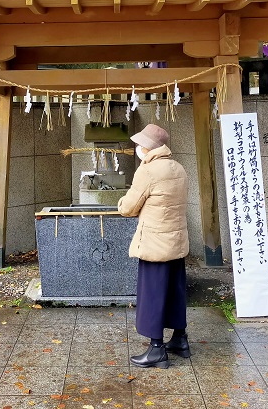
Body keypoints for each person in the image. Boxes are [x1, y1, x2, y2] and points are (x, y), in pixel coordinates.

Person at [118, 123, 190, 369]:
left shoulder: (148, 171)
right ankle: (180, 339)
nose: (137, 148)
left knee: (153, 294)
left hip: (155, 244)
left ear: (148, 147)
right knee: (175, 291)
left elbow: (128, 207)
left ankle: (157, 349)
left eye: (139, 144)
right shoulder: (178, 168)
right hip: (176, 241)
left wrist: (119, 202)